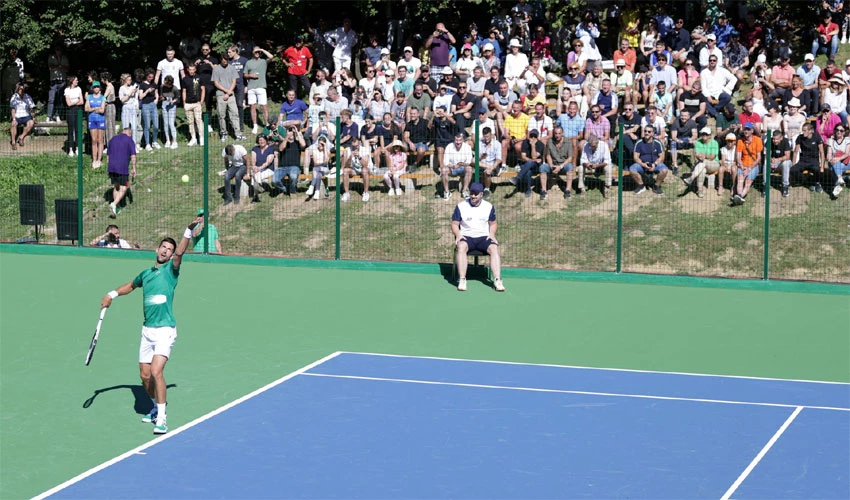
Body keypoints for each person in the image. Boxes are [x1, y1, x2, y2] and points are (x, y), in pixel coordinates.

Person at [100, 215, 203, 434]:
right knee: (144, 376)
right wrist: (111, 294)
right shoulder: (146, 274)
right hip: (147, 331)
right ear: (157, 250)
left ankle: (163, 419)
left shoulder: (171, 271)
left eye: (169, 249)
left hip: (165, 330)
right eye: (163, 247)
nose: (166, 251)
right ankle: (156, 407)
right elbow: (130, 285)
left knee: (156, 372)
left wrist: (187, 231)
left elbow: (180, 254)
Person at [451, 182, 505, 292]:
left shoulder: (489, 207)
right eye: (471, 193)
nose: (473, 196)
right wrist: (458, 235)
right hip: (467, 237)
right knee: (461, 247)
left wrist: (492, 234)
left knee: (494, 248)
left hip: (483, 238)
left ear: (481, 195)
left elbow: (493, 223)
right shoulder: (461, 206)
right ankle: (462, 279)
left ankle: (497, 280)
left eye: (476, 194)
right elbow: (455, 224)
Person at [106, 126, 137, 217]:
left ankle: (116, 208)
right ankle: (114, 204)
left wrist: (109, 166)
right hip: (122, 168)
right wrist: (134, 168)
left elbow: (108, 156)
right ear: (129, 133)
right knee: (124, 187)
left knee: (116, 187)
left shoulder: (112, 139)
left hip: (112, 167)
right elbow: (133, 156)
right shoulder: (129, 140)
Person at [630, 126, 668, 195]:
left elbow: (662, 157)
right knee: (632, 169)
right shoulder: (639, 142)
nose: (646, 133)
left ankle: (656, 186)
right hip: (642, 164)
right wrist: (643, 164)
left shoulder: (657, 142)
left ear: (653, 133)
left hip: (655, 164)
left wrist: (654, 164)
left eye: (649, 132)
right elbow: (635, 157)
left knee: (664, 169)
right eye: (645, 131)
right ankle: (641, 186)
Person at [244, 46, 274, 134]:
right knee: (253, 107)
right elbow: (245, 74)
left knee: (264, 107)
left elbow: (271, 57)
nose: (257, 53)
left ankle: (267, 125)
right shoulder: (248, 62)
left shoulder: (263, 61)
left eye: (258, 51)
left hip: (261, 87)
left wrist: (262, 49)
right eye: (255, 51)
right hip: (251, 88)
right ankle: (255, 125)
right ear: (252, 52)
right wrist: (251, 76)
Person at [733, 122, 763, 204]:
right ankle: (739, 195)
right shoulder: (740, 141)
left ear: (752, 131)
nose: (746, 131)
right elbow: (738, 157)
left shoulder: (758, 140)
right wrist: (742, 166)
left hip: (753, 165)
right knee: (740, 178)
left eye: (748, 129)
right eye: (745, 129)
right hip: (743, 164)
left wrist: (749, 168)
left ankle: (740, 196)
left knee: (748, 182)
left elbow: (758, 158)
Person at [182, 64, 205, 146]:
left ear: (195, 70)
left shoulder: (199, 78)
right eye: (190, 69)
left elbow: (203, 89)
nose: (191, 71)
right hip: (188, 103)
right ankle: (193, 138)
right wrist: (184, 102)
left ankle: (201, 138)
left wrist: (201, 101)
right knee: (190, 122)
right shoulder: (185, 79)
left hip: (197, 103)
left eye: (193, 69)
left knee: (199, 120)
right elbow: (184, 91)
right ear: (187, 70)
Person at [85, 81, 107, 169]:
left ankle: (99, 159)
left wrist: (92, 109)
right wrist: (96, 108)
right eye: (94, 87)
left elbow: (102, 110)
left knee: (100, 140)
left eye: (97, 87)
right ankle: (94, 159)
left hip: (100, 120)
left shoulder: (102, 97)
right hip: (92, 120)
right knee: (94, 140)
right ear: (92, 88)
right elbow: (86, 108)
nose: (96, 88)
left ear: (100, 88)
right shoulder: (89, 97)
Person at [9, 83, 35, 150]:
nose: (21, 90)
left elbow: (31, 108)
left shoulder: (28, 97)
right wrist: (14, 119)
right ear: (17, 89)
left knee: (31, 123)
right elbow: (13, 109)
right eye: (19, 89)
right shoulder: (14, 97)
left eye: (22, 89)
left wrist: (34, 117)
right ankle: (13, 142)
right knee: (13, 124)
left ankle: (21, 137)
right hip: (17, 116)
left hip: (26, 115)